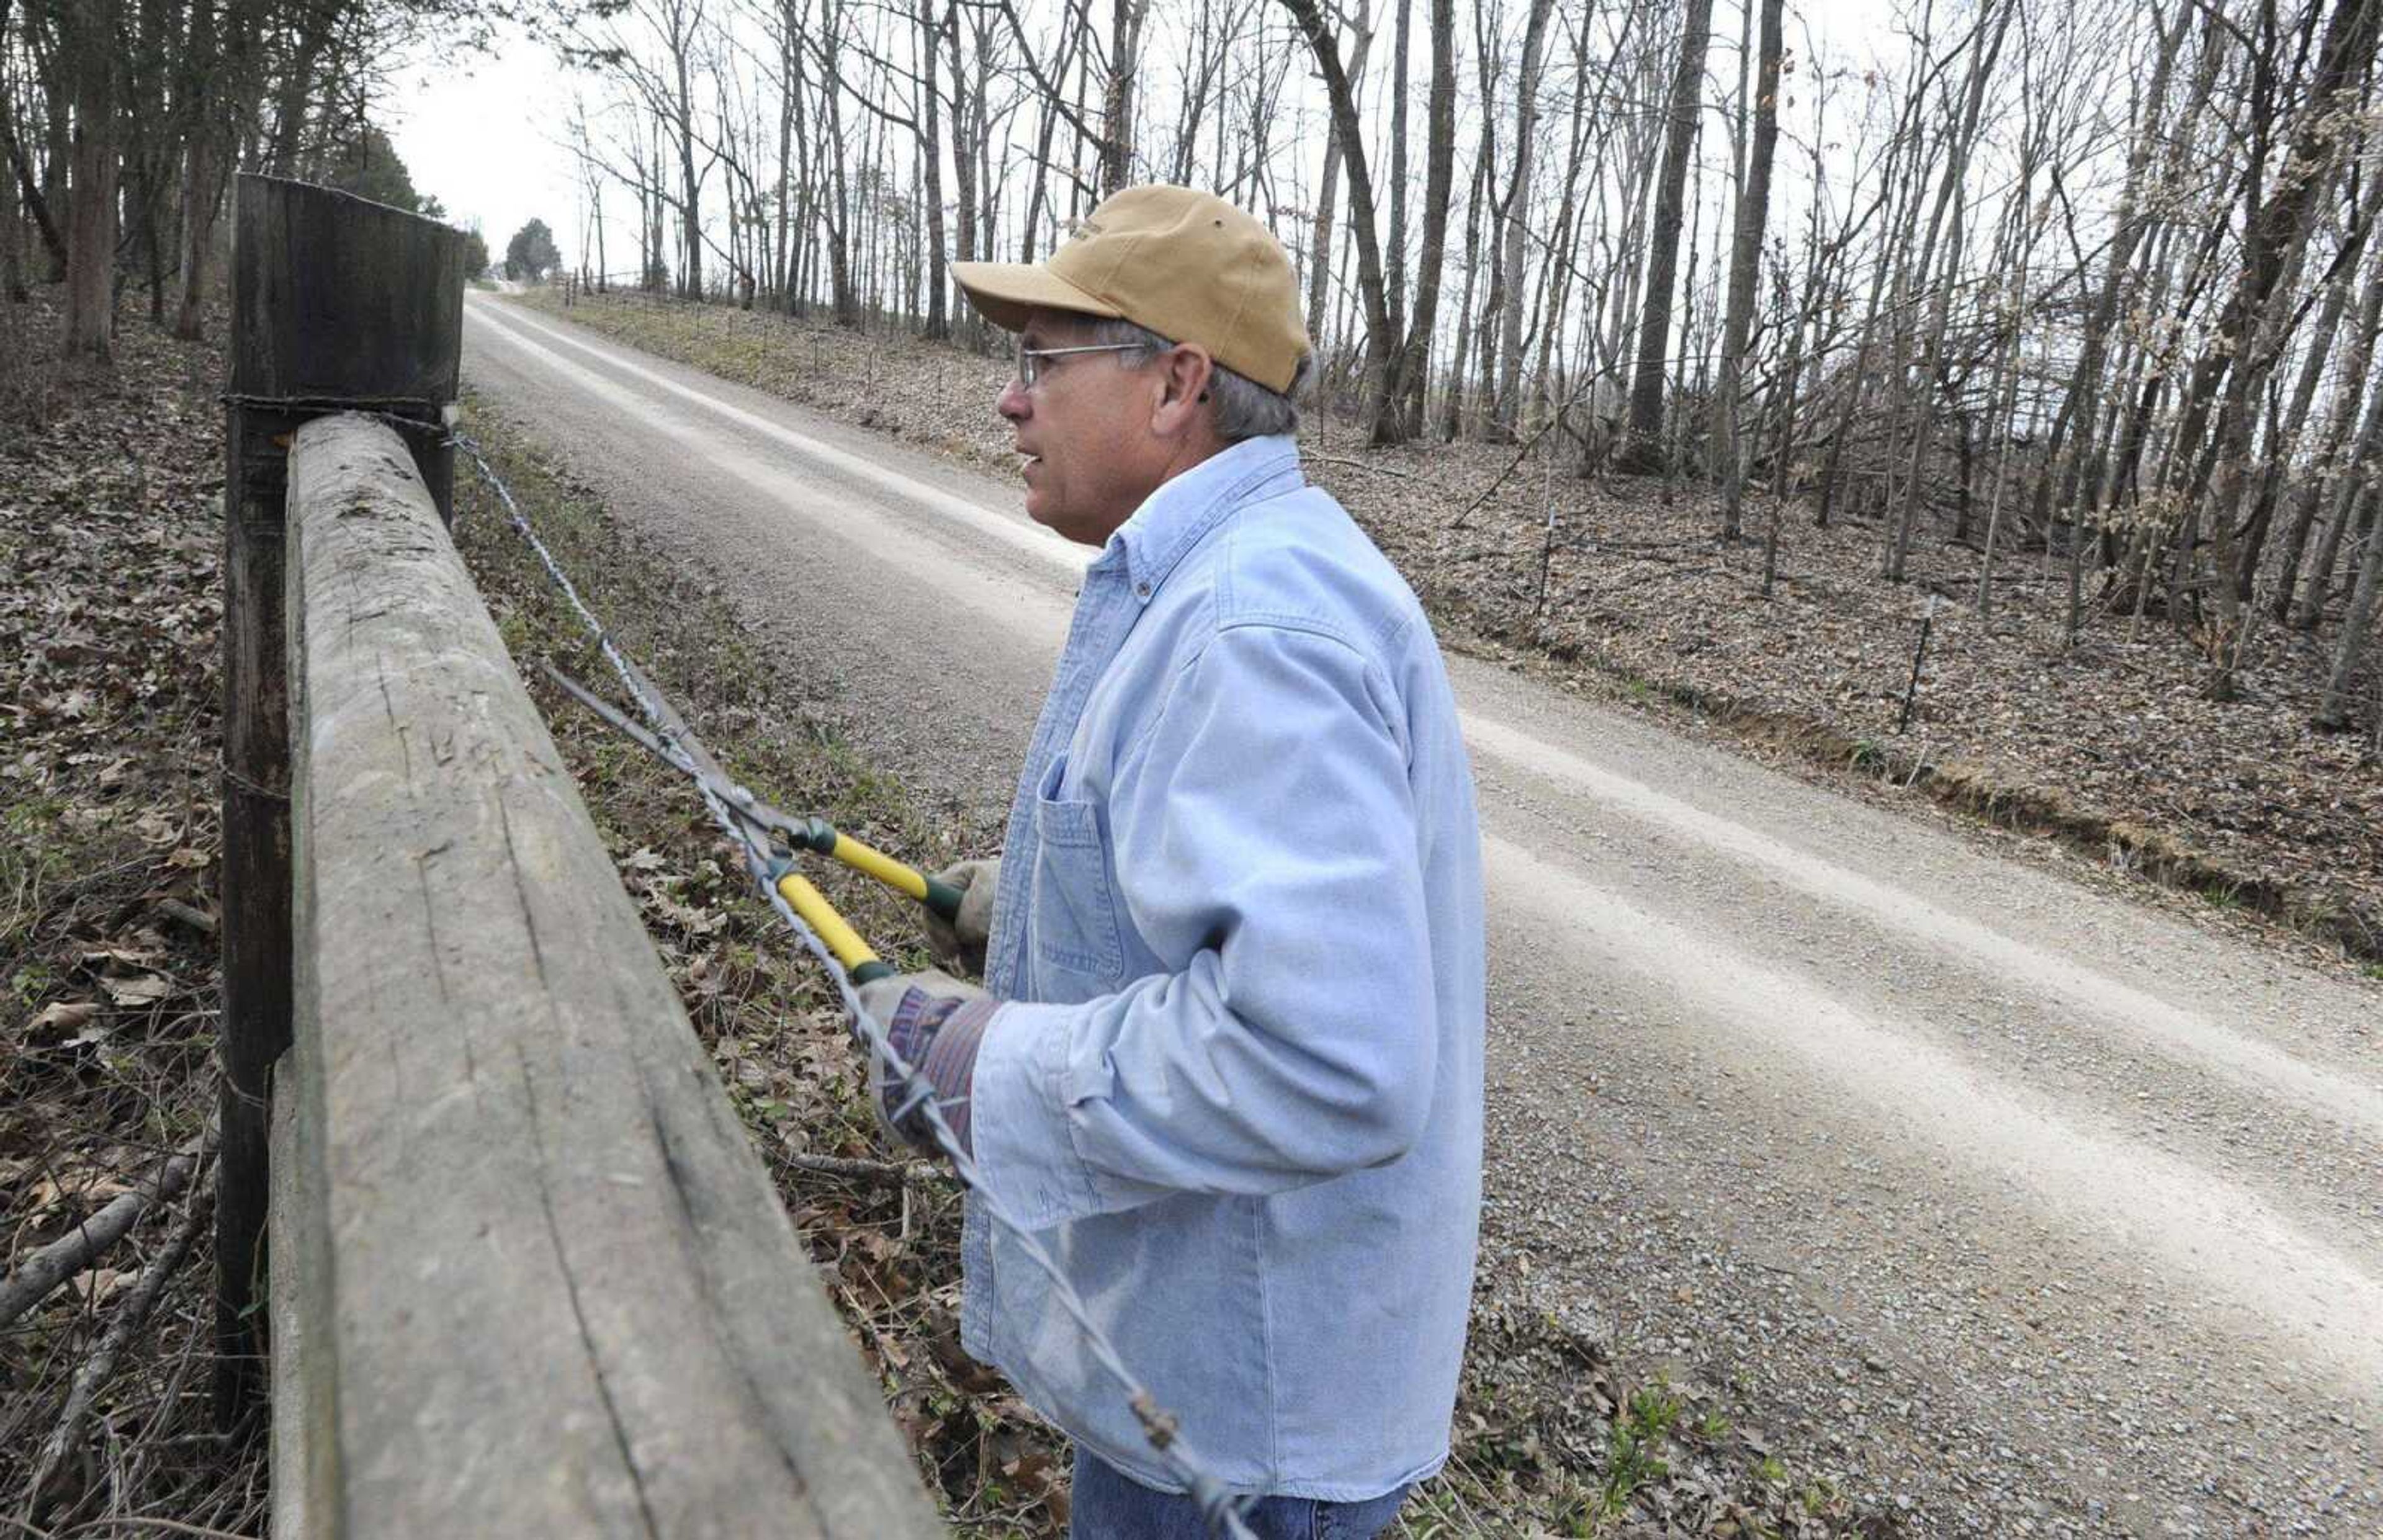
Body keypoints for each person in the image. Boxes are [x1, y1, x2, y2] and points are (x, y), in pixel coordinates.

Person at [855, 184, 1485, 1540]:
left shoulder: (1258, 624)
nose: (1010, 401)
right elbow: (1225, 912)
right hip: (1205, 1393)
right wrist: (1033, 909)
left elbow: (1328, 1057)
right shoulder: (1220, 580)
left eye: (1042, 359)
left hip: (1245, 1434)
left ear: (1176, 384)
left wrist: (982, 1066)